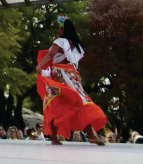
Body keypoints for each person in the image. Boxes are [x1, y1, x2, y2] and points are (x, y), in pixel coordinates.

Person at [36, 15, 107, 146]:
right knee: (81, 101)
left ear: (63, 30)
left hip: (60, 74)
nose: (58, 31)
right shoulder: (79, 47)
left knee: (55, 102)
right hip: (73, 76)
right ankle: (89, 135)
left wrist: (40, 65)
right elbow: (73, 62)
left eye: (59, 29)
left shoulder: (60, 41)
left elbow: (51, 55)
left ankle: (55, 138)